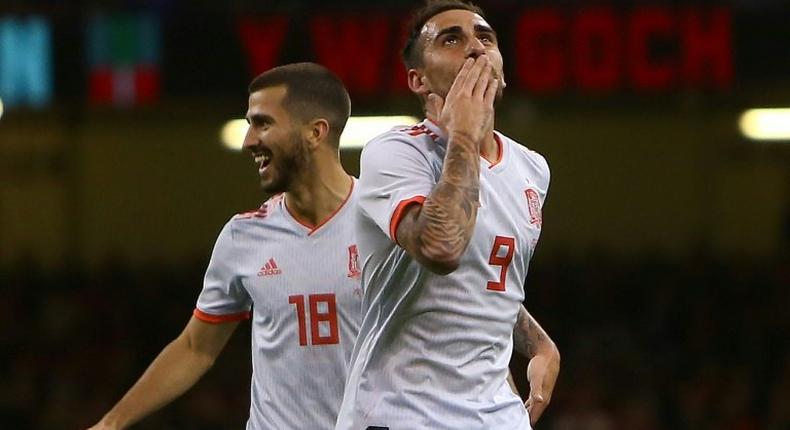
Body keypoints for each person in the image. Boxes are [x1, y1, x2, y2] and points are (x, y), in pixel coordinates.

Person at [88, 62, 362, 430]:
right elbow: (194, 348)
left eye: (263, 123)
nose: (249, 140)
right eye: (249, 124)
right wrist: (110, 424)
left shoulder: (385, 224)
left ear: (315, 132)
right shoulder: (243, 236)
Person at [335, 1, 560, 429]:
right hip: (400, 414)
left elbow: (485, 278)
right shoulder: (396, 152)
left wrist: (538, 342)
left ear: (502, 68)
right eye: (452, 39)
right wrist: (462, 134)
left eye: (485, 38)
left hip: (495, 415)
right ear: (418, 80)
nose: (475, 47)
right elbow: (442, 247)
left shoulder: (532, 168)